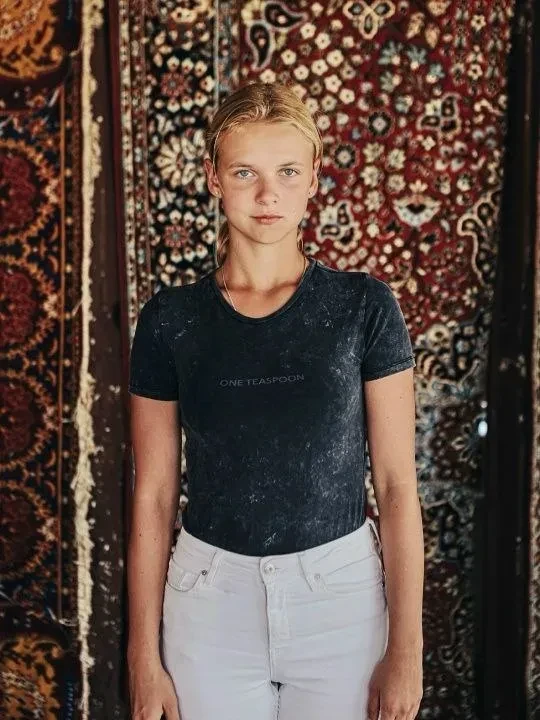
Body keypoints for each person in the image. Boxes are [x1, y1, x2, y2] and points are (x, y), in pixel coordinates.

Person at [126, 80, 424, 720]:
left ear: (313, 176)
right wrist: (141, 655)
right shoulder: (170, 321)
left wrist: (407, 648)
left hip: (341, 599)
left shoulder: (364, 308)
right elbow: (152, 495)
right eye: (245, 172)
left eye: (287, 171)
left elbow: (398, 485)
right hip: (209, 601)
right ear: (213, 178)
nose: (268, 195)